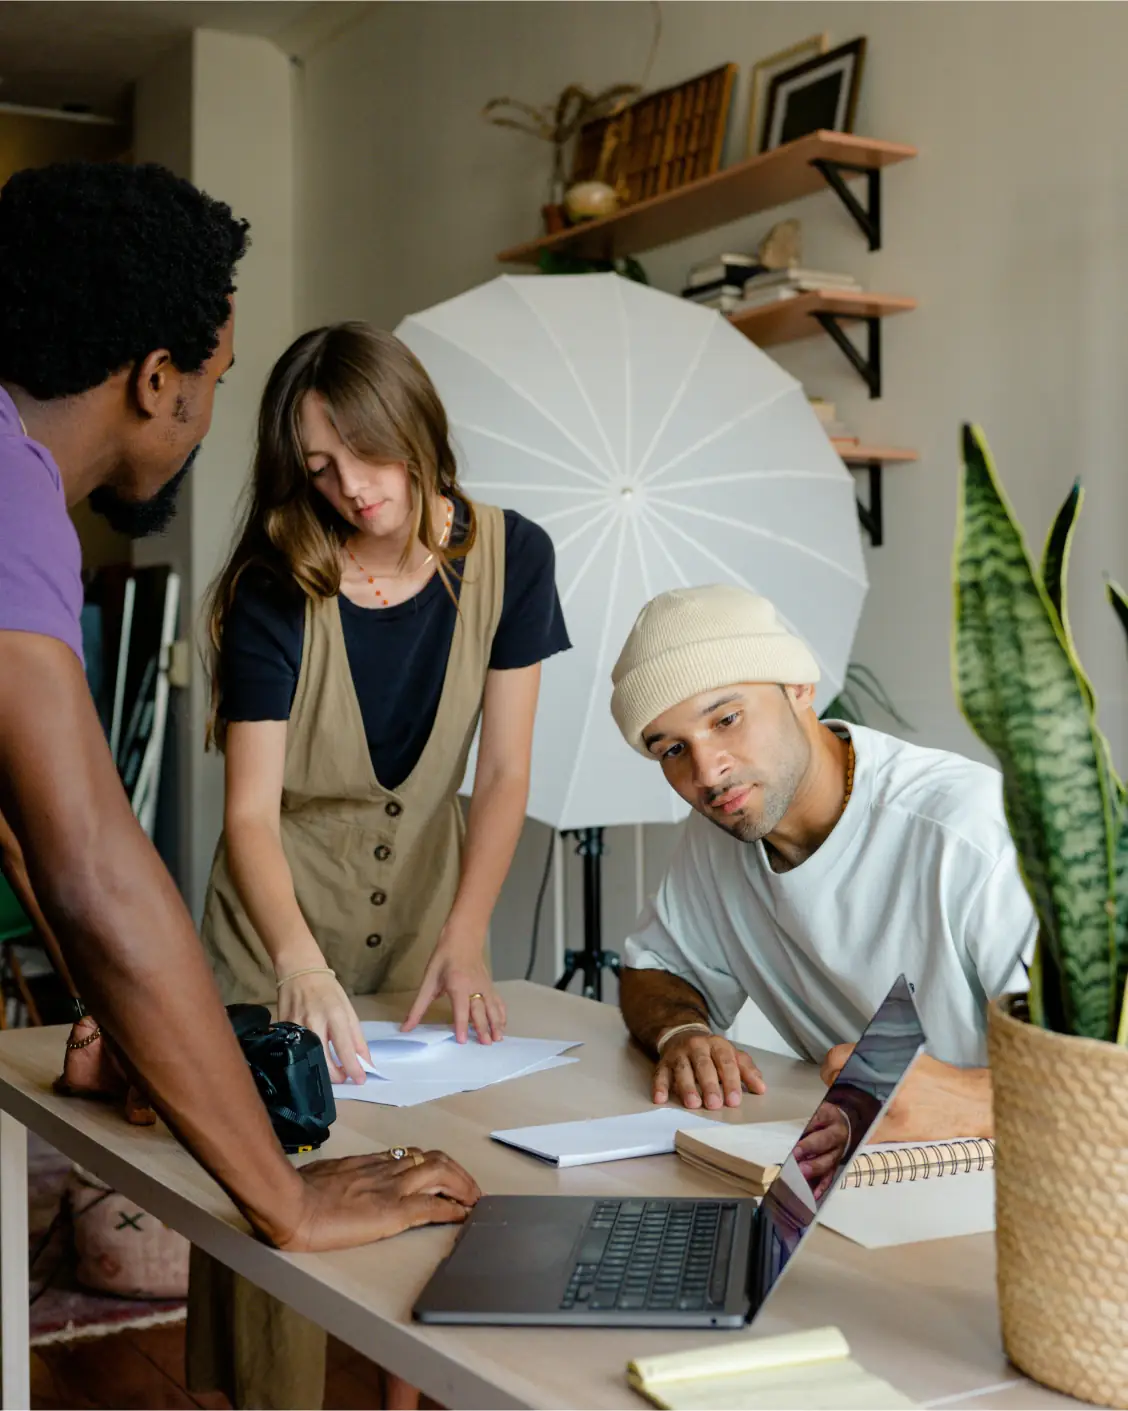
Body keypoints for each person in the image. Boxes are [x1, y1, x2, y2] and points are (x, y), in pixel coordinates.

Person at [0, 160, 479, 1276]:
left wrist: (135, 1036)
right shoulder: (10, 493)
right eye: (214, 376)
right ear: (158, 379)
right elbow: (95, 874)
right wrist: (288, 1202)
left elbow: (22, 826)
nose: (208, 411)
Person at [188, 320, 570, 1409]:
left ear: (416, 428)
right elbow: (251, 815)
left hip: (422, 913)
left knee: (433, 1168)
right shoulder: (278, 580)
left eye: (366, 451)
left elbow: (501, 774)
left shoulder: (513, 556)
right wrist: (296, 963)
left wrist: (467, 928)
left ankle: (413, 1391)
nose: (352, 487)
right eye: (318, 467)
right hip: (277, 920)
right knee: (275, 1197)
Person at [608, 583, 1038, 1143]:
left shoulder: (970, 834)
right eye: (672, 749)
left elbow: (1106, 1073)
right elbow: (654, 968)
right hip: (862, 1173)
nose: (708, 772)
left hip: (1031, 1177)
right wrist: (683, 1035)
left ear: (799, 688)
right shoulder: (723, 829)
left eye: (726, 719)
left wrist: (975, 1105)